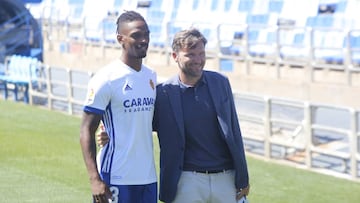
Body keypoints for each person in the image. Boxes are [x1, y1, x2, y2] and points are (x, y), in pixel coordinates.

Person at [98, 28, 250, 203]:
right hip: (186, 182)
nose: (198, 60)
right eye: (191, 55)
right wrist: (108, 132)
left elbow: (234, 131)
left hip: (226, 180)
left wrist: (243, 178)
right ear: (175, 56)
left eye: (201, 54)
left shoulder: (220, 83)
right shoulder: (163, 94)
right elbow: (139, 123)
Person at [79, 10, 157, 203]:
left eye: (146, 34)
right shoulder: (106, 79)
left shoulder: (151, 77)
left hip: (148, 176)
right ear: (120, 39)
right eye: (136, 35)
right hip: (116, 175)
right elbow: (86, 130)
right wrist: (94, 179)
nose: (143, 40)